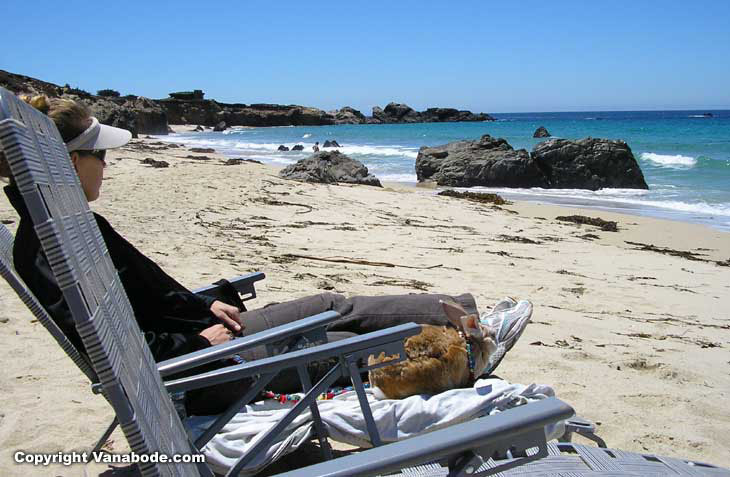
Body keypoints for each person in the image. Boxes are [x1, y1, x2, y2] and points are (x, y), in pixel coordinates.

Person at [1, 95, 528, 415]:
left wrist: (204, 306)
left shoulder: (70, 229)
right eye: (100, 154)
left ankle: (465, 316)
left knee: (331, 304)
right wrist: (192, 338)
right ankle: (470, 345)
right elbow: (112, 349)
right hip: (200, 371)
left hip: (201, 341)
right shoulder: (53, 251)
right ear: (70, 163)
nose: (107, 165)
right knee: (342, 337)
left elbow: (143, 297)